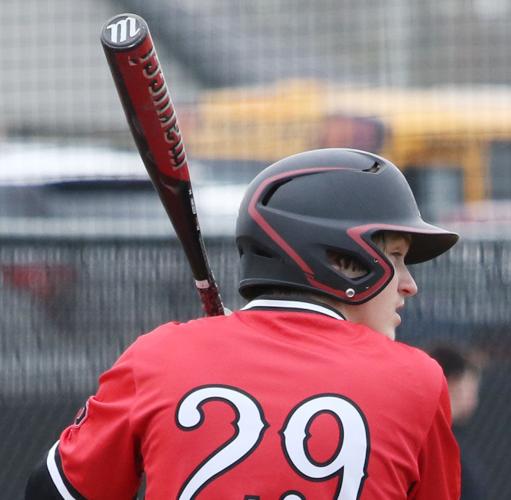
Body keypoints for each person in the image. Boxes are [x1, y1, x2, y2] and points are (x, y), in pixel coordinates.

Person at [26, 148, 461, 499]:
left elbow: (52, 492)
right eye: (398, 257)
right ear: (344, 261)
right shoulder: (417, 379)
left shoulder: (160, 356)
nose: (409, 286)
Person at [428, 344, 486, 500]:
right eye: (471, 389)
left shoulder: (451, 439)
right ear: (453, 383)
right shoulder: (434, 441)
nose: (474, 400)